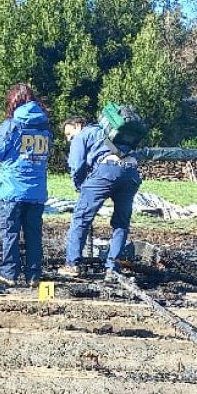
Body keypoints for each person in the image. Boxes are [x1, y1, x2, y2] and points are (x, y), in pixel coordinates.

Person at [0, 83, 52, 286]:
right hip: (37, 191)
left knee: (10, 233)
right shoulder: (44, 127)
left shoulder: (11, 125)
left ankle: (9, 275)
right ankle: (34, 276)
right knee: (33, 236)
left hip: (12, 190)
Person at [59, 115, 142, 276]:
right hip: (131, 171)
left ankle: (72, 263)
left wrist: (79, 186)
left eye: (69, 134)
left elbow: (76, 165)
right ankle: (113, 268)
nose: (69, 139)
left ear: (78, 125)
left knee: (81, 218)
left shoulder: (84, 134)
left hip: (106, 170)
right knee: (121, 223)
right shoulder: (108, 132)